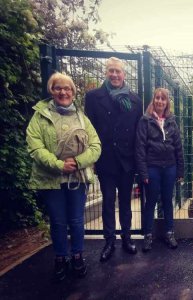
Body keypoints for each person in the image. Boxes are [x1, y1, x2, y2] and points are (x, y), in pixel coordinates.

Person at [26, 72, 101, 281]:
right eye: (58, 88)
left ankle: (77, 256)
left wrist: (77, 162)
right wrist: (59, 165)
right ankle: (60, 257)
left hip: (77, 178)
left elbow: (96, 146)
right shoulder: (40, 116)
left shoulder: (81, 117)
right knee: (58, 221)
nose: (63, 92)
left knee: (77, 220)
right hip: (50, 179)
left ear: (73, 92)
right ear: (52, 90)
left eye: (67, 89)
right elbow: (35, 147)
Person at [84, 57, 143, 262]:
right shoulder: (93, 97)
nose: (115, 75)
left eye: (118, 71)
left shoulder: (135, 101)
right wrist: (91, 158)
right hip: (106, 160)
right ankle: (109, 241)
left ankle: (126, 238)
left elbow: (138, 133)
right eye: (111, 71)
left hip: (127, 161)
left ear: (124, 74)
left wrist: (137, 161)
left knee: (126, 202)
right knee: (108, 202)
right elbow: (89, 130)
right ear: (106, 73)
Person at [135, 88, 184, 252]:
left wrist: (180, 170)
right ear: (153, 100)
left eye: (163, 99)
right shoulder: (145, 120)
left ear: (167, 102)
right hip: (152, 168)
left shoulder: (171, 121)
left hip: (170, 167)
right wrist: (143, 172)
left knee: (168, 201)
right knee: (151, 202)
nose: (160, 101)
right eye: (157, 98)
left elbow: (178, 147)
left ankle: (169, 233)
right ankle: (148, 235)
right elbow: (140, 148)